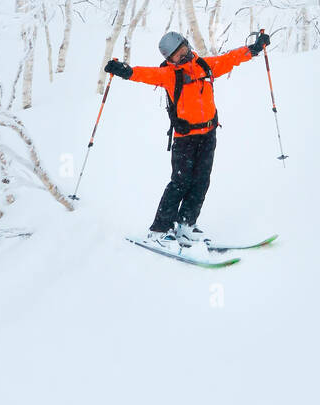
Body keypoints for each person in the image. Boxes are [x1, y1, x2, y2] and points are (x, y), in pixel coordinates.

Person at [105, 29, 271, 247]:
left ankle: (186, 225)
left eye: (183, 49)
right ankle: (159, 230)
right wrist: (124, 71)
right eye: (177, 54)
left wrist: (254, 49)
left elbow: (230, 59)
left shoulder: (205, 65)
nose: (183, 55)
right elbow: (142, 74)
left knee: (201, 181)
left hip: (208, 135)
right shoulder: (168, 75)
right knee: (180, 183)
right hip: (185, 139)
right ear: (169, 59)